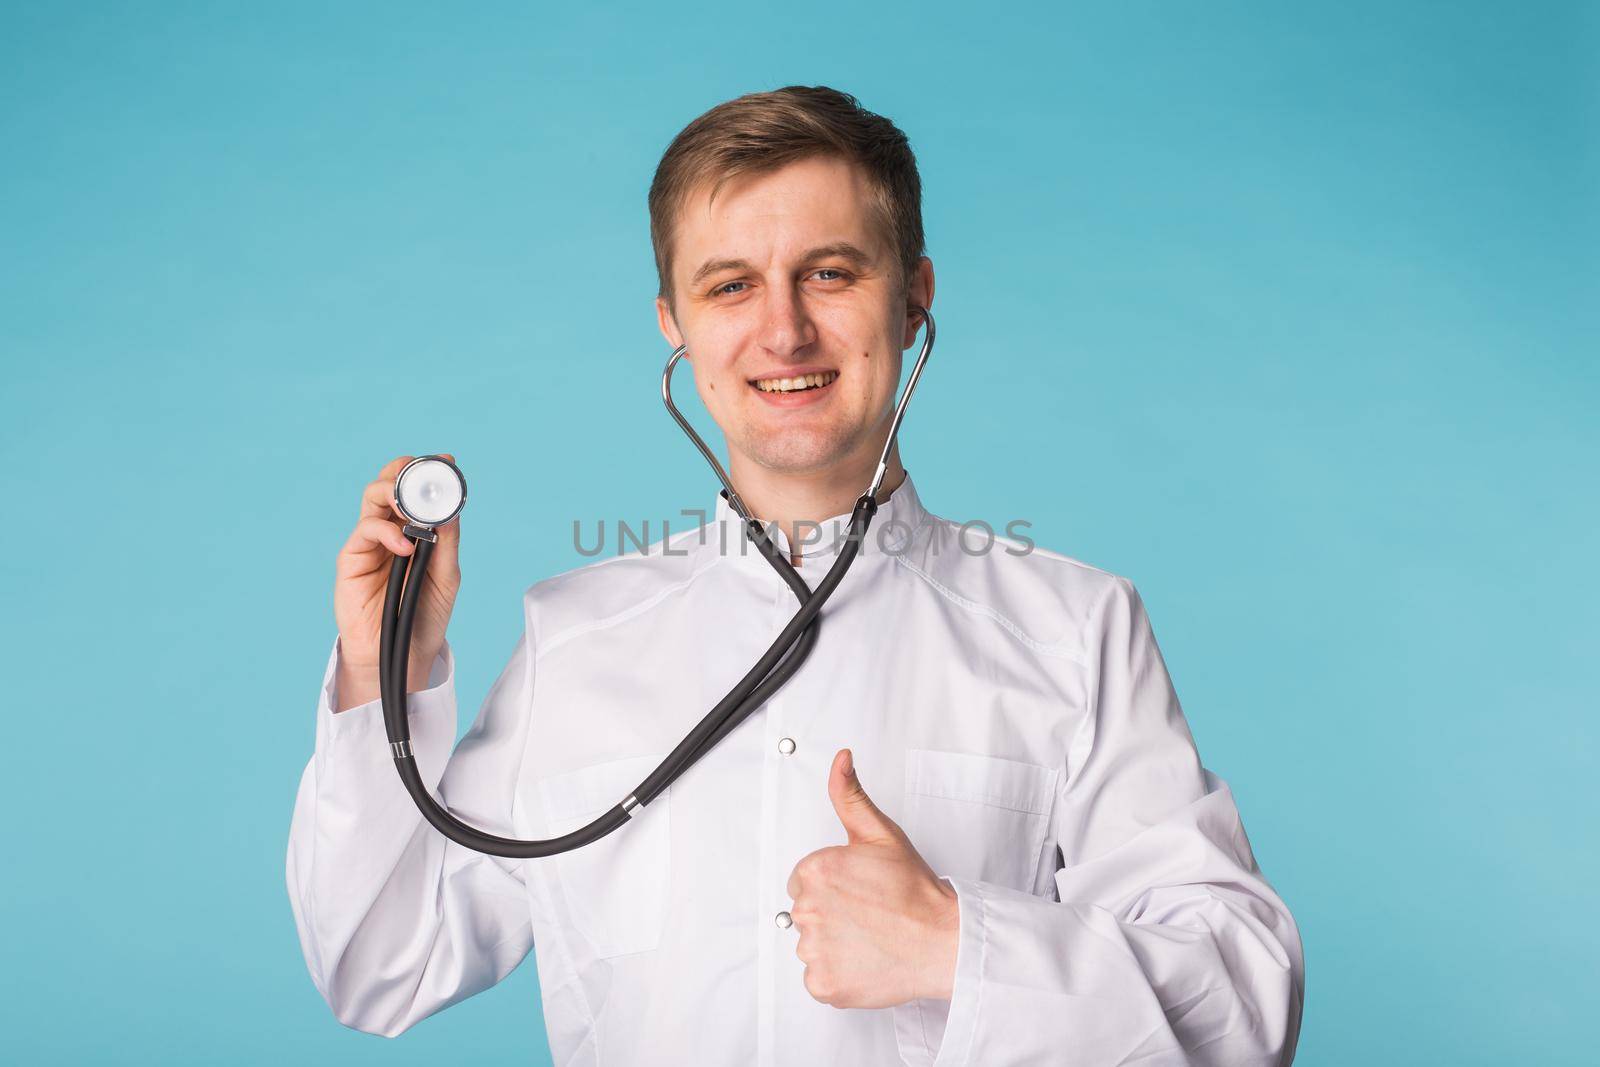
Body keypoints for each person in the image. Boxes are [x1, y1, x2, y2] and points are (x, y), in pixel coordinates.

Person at [286, 85, 1304, 1066]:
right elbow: (381, 965)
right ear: (673, 326)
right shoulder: (572, 638)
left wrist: (956, 944)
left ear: (914, 299)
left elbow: (1244, 1008)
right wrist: (389, 665)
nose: (782, 331)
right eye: (730, 285)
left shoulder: (1076, 628)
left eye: (829, 273)